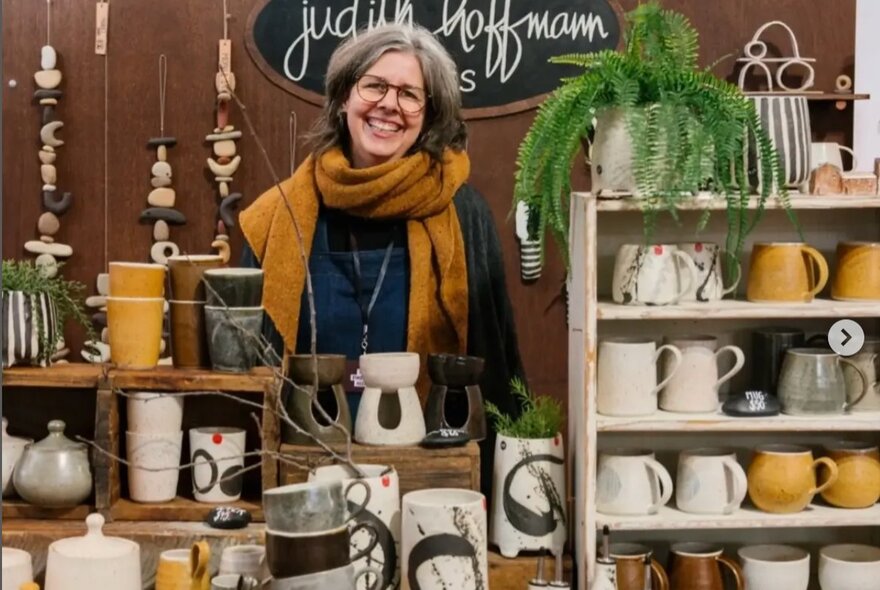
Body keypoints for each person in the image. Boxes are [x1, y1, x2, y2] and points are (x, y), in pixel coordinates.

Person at [239, 23, 523, 495]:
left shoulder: (463, 213)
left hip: (429, 479)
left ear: (428, 116)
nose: (390, 105)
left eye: (411, 94)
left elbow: (496, 366)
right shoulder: (275, 217)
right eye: (374, 85)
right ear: (343, 98)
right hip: (304, 472)